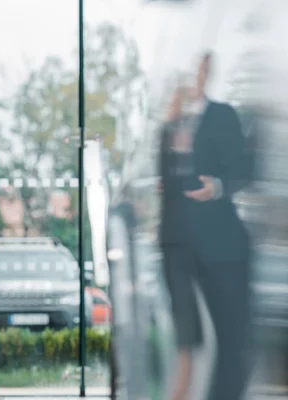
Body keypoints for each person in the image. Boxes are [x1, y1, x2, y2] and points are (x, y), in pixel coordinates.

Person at [158, 52, 252, 400]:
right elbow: (165, 182)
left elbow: (243, 169)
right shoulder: (169, 126)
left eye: (199, 67)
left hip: (219, 244)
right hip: (176, 244)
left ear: (206, 72)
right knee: (186, 338)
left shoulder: (223, 115)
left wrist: (218, 187)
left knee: (229, 335)